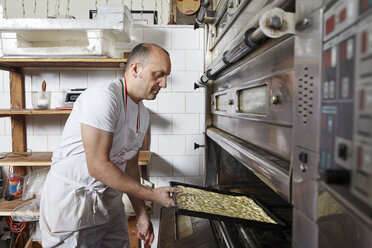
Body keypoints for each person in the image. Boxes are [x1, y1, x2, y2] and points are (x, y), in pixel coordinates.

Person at [39, 43, 177, 248]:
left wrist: (140, 214)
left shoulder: (142, 113)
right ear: (136, 69)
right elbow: (98, 166)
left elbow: (130, 165)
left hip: (109, 207)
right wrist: (152, 195)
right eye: (158, 75)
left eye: (165, 76)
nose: (163, 84)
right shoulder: (104, 97)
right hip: (75, 206)